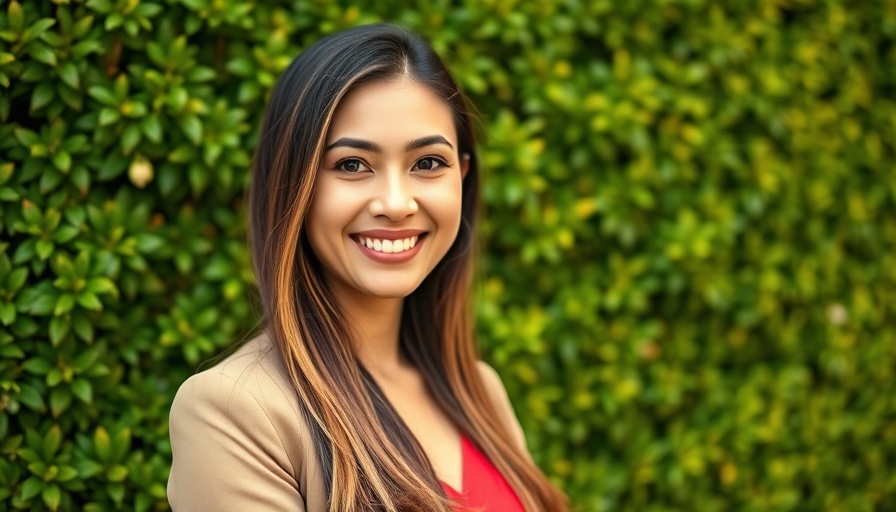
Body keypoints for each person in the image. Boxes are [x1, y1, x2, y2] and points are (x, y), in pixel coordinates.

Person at [167, 23, 568, 512]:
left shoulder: (480, 391)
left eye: (428, 163)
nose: (396, 204)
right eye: (352, 165)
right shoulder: (235, 412)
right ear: (292, 185)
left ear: (462, 175)